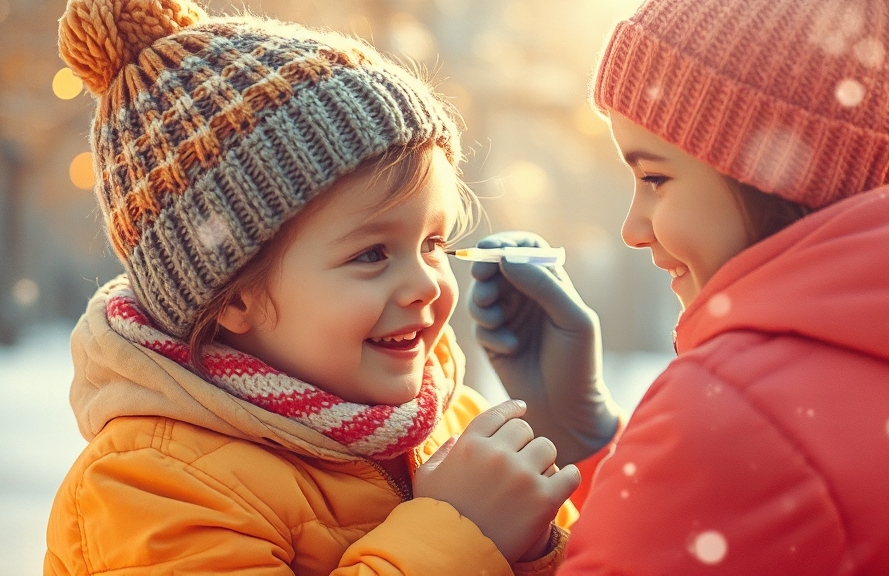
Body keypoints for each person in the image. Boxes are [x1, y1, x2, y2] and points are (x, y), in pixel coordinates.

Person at [468, 0, 889, 573]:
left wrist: (456, 540)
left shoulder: (734, 422)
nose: (632, 229)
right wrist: (595, 449)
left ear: (778, 172)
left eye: (655, 178)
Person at [45, 0, 581, 574]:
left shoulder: (451, 422)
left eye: (432, 243)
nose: (426, 284)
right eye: (372, 254)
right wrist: (461, 533)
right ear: (233, 295)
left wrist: (536, 545)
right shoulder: (150, 484)